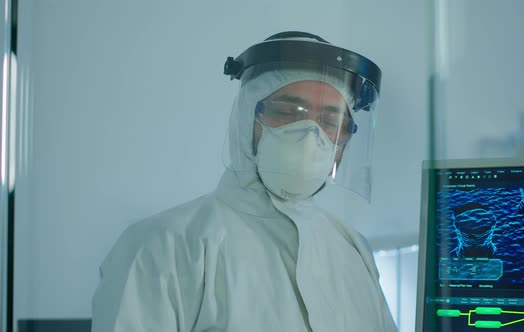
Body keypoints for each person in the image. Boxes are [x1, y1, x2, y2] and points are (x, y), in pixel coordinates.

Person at [91, 31, 397, 332]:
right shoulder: (161, 247)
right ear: (245, 117)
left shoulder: (353, 250)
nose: (310, 135)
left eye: (331, 122)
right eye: (289, 111)